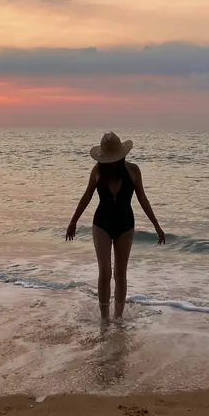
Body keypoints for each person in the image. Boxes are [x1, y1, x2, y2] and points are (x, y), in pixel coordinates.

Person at [66, 132, 165, 321]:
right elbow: (87, 196)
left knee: (120, 273)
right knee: (105, 272)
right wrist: (73, 221)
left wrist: (157, 226)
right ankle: (104, 319)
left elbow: (143, 199)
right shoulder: (97, 171)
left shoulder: (133, 171)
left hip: (125, 225)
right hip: (101, 223)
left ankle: (118, 317)